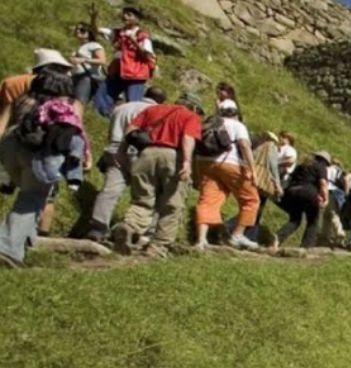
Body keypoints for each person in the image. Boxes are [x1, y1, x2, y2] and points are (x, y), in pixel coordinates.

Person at [0, 60, 88, 267]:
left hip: (11, 147)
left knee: (31, 195)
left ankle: (24, 242)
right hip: (40, 153)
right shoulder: (67, 105)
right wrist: (83, 157)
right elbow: (77, 131)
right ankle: (7, 248)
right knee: (31, 198)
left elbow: (2, 124)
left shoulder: (22, 98)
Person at [112, 95, 201, 256]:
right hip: (172, 156)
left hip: (146, 154)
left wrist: (121, 151)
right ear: (194, 108)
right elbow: (188, 137)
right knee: (172, 204)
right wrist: (187, 162)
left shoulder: (153, 109)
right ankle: (159, 246)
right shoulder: (190, 116)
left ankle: (129, 227)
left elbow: (131, 130)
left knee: (142, 198)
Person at [84, 86, 163, 242]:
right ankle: (136, 229)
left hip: (114, 150)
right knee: (145, 193)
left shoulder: (121, 108)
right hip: (138, 153)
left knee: (110, 190)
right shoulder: (154, 111)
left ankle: (98, 227)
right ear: (161, 101)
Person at [192, 98, 259, 250]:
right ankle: (237, 235)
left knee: (207, 200)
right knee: (251, 199)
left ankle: (201, 240)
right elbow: (244, 145)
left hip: (204, 163)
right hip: (230, 163)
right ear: (235, 112)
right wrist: (252, 170)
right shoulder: (237, 125)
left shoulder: (209, 124)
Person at [95, 6, 156, 117]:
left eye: (129, 15)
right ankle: (108, 116)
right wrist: (93, 18)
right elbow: (97, 30)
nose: (125, 16)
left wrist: (134, 41)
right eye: (124, 14)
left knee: (133, 102)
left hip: (135, 74)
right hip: (118, 71)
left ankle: (131, 120)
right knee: (103, 94)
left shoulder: (142, 36)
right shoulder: (118, 33)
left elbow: (147, 55)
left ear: (137, 19)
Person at [275, 148, 328, 248]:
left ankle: (278, 237)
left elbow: (290, 178)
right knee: (313, 221)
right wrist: (325, 199)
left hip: (292, 192)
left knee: (295, 219)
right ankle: (306, 246)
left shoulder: (302, 165)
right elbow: (323, 183)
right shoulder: (320, 166)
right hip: (308, 194)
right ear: (325, 161)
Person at [69, 24, 107, 113]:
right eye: (77, 29)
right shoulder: (81, 46)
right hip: (76, 76)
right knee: (74, 102)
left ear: (89, 33)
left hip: (86, 77)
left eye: (82, 30)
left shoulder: (94, 45)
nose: (78, 31)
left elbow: (102, 60)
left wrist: (83, 60)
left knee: (79, 102)